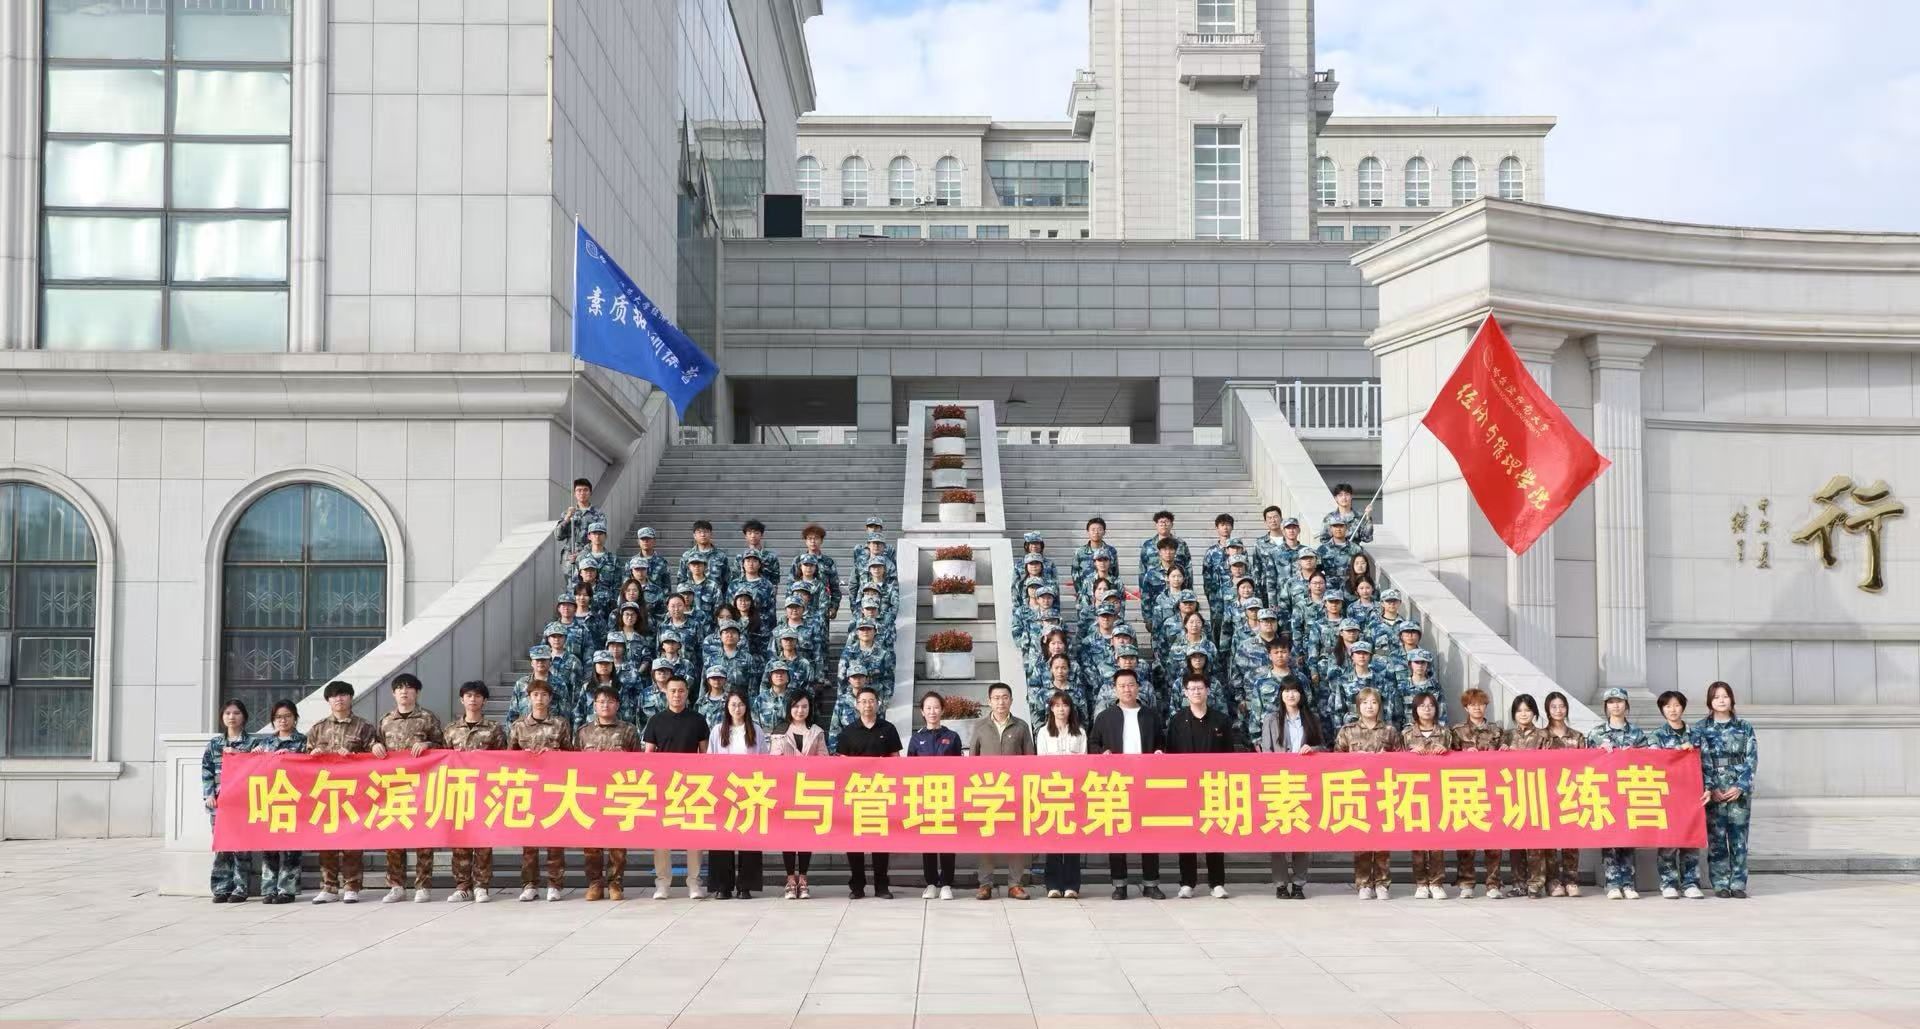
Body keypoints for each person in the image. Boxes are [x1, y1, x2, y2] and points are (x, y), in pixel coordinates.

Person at [1089, 668, 1166, 900]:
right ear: (1115, 689)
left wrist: (1160, 751)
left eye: (1131, 685)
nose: (1127, 689)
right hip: (1116, 782)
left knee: (1149, 833)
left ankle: (1151, 883)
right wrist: (1102, 753)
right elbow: (1093, 743)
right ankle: (1119, 884)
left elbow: (1162, 741)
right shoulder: (1105, 717)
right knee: (1117, 833)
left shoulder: (1151, 716)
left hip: (1146, 782)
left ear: (1138, 687)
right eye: (1122, 686)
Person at [307, 680, 384, 903]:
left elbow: (374, 756)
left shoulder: (364, 727)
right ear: (328, 700)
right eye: (334, 696)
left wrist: (356, 757)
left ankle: (352, 886)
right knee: (326, 842)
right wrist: (314, 754)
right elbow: (305, 759)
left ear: (351, 698)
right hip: (326, 793)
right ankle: (329, 887)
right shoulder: (318, 728)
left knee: (352, 842)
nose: (338, 699)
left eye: (343, 695)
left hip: (354, 793)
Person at [376, 672, 444, 903]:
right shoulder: (386, 720)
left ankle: (423, 885)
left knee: (423, 837)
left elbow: (443, 746)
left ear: (417, 692)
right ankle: (396, 885)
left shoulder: (427, 718)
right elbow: (376, 745)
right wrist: (374, 746)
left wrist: (427, 744)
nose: (404, 692)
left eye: (409, 688)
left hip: (422, 785)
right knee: (394, 837)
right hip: (394, 786)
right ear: (393, 693)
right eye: (399, 688)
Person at [642, 675, 711, 899]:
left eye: (681, 691)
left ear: (687, 693)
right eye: (673, 691)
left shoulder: (698, 720)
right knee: (661, 837)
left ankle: (694, 882)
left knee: (694, 836)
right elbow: (648, 755)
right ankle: (662, 883)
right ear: (666, 692)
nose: (677, 695)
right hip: (663, 786)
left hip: (692, 786)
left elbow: (705, 754)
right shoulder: (655, 721)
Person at [1165, 673, 1234, 898]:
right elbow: (1170, 754)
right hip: (1186, 786)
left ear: (1208, 691)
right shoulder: (1177, 721)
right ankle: (1187, 882)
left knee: (1214, 832)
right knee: (1186, 834)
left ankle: (1217, 883)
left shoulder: (1221, 720)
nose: (1196, 692)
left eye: (1200, 688)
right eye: (1192, 689)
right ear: (1185, 693)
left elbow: (1230, 754)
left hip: (1214, 784)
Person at [507, 678, 572, 901]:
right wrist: (523, 757)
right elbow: (509, 756)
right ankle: (530, 884)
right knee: (529, 841)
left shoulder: (560, 724)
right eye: (535, 695)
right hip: (527, 788)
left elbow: (572, 755)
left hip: (555, 787)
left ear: (550, 698)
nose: (539, 699)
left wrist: (556, 755)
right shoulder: (518, 726)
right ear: (528, 698)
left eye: (544, 695)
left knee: (555, 839)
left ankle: (555, 884)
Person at [1258, 675, 1323, 898]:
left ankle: (1298, 883)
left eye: (1294, 690)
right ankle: (1280, 884)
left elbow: (1323, 747)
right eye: (1286, 691)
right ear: (1281, 695)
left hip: (1306, 783)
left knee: (1302, 836)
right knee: (1278, 836)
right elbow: (1266, 752)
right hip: (1279, 783)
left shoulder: (1311, 719)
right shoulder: (1271, 720)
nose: (1290, 694)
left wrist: (1313, 749)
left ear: (1301, 694)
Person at [835, 684, 902, 899]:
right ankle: (857, 886)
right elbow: (841, 763)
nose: (867, 705)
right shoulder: (848, 732)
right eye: (863, 701)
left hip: (881, 793)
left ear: (878, 704)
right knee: (854, 842)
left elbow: (895, 759)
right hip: (855, 794)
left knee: (880, 842)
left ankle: (882, 886)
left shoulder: (888, 729)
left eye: (871, 701)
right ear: (856, 705)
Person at [1335, 686, 1402, 900]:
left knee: (1382, 839)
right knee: (1361, 839)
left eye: (1373, 702)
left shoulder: (1389, 731)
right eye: (1365, 703)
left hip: (1383, 790)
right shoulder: (1348, 731)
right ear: (1358, 707)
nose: (1369, 706)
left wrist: (1388, 759)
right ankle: (1363, 882)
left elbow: (1403, 760)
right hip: (1358, 790)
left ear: (1379, 706)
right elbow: (1335, 760)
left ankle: (1382, 883)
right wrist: (1353, 759)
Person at [444, 681, 507, 902]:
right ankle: (462, 885)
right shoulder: (451, 730)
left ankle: (481, 885)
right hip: (459, 791)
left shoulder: (494, 729)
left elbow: (503, 759)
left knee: (483, 840)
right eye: (469, 696)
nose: (473, 700)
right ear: (462, 700)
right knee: (460, 840)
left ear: (485, 701)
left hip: (485, 792)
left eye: (478, 696)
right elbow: (442, 759)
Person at [971, 682, 1035, 898]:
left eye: (1005, 697)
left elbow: (1030, 760)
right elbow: (973, 760)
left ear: (1011, 700)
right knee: (986, 839)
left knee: (1015, 838)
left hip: (1014, 792)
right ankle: (985, 884)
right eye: (996, 698)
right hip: (987, 792)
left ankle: (1015, 884)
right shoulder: (980, 727)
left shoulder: (1021, 726)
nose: (1001, 702)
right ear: (989, 701)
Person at [1696, 681, 1758, 899]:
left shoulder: (1744, 727)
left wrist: (1741, 786)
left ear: (1731, 699)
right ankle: (1720, 883)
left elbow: (1752, 758)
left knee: (1739, 838)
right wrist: (1710, 787)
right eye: (1716, 697)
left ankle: (1738, 883)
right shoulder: (1701, 728)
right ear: (1709, 702)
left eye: (1725, 696)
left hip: (1738, 790)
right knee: (1717, 839)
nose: (1721, 701)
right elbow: (1698, 761)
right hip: (1713, 790)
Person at [1588, 686, 1649, 899]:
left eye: (1619, 701)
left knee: (1629, 837)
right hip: (1606, 792)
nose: (1615, 706)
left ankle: (1629, 883)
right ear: (1606, 706)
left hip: (1630, 791)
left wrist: (1634, 755)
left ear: (1626, 705)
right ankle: (1612, 882)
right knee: (1610, 838)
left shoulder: (1637, 734)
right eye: (1611, 702)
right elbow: (1586, 763)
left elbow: (1649, 761)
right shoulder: (1596, 734)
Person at [705, 690, 767, 899]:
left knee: (749, 837)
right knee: (722, 838)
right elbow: (710, 759)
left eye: (740, 704)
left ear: (746, 707)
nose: (737, 708)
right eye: (733, 704)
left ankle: (745, 885)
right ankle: (723, 886)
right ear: (727, 707)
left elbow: (764, 759)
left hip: (749, 789)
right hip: (724, 790)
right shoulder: (717, 730)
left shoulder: (755, 730)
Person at [1649, 689, 1708, 900]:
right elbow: (1653, 762)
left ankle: (1690, 882)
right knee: (1668, 841)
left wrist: (1708, 787)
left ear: (1682, 707)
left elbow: (1707, 764)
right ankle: (1668, 882)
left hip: (1692, 795)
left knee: (1690, 840)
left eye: (1676, 705)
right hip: (1667, 796)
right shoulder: (1656, 736)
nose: (1672, 710)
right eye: (1667, 706)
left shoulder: (1696, 734)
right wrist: (1678, 752)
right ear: (1662, 710)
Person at [768, 691, 827, 899]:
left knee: (805, 836)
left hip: (808, 790)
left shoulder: (817, 731)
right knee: (788, 836)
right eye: (796, 706)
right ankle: (790, 880)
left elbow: (824, 759)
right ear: (789, 708)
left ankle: (803, 879)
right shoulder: (780, 731)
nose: (800, 710)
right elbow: (773, 761)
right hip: (786, 790)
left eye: (804, 706)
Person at [1449, 687, 1506, 899]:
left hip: (1492, 789)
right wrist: (1463, 755)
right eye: (1472, 705)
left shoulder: (1496, 731)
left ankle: (1493, 883)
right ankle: (1466, 882)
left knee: (1494, 841)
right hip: (1466, 789)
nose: (1477, 708)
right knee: (1467, 840)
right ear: (1466, 707)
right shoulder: (1457, 731)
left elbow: (1506, 755)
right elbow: (1448, 757)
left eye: (1480, 704)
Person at [907, 692, 965, 900]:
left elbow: (960, 767)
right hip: (925, 796)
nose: (932, 712)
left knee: (948, 841)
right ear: (922, 712)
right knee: (928, 841)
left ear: (942, 710)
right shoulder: (916, 738)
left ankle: (947, 883)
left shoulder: (953, 737)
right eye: (928, 708)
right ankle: (930, 883)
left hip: (947, 795)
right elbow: (909, 770)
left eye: (936, 707)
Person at [253, 700, 307, 904]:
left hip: (293, 801)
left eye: (287, 716)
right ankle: (269, 889)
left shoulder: (304, 742)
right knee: (269, 846)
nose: (282, 720)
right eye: (278, 717)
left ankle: (287, 890)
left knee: (292, 848)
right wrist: (254, 756)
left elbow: (312, 767)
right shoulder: (266, 744)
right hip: (271, 800)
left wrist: (293, 757)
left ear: (295, 718)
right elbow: (254, 771)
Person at [202, 698, 254, 904]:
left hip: (244, 803)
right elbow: (206, 770)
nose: (232, 717)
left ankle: (241, 888)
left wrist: (240, 754)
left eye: (236, 713)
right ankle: (221, 888)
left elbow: (258, 766)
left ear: (244, 717)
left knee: (242, 847)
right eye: (227, 713)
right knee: (222, 846)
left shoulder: (253, 744)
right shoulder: (215, 744)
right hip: (220, 803)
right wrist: (209, 795)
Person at [1036, 690, 1087, 899]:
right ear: (1051, 708)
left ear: (1070, 709)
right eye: (1056, 705)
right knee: (1053, 839)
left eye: (1064, 705)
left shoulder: (1080, 732)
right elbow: (1040, 762)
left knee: (1073, 839)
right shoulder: (1043, 732)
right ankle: (1053, 884)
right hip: (1052, 791)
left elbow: (1084, 761)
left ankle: (1072, 885)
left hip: (1074, 791)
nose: (1061, 709)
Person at [1401, 690, 1451, 900]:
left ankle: (1437, 882)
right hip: (1415, 792)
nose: (1427, 709)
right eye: (1422, 706)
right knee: (1418, 841)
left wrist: (1446, 752)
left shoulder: (1446, 733)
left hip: (1439, 791)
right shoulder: (1407, 734)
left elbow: (1459, 760)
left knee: (1437, 840)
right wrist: (1409, 755)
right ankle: (1421, 882)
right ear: (1415, 710)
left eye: (1431, 705)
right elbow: (1396, 762)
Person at [1503, 694, 1551, 899]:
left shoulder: (1543, 735)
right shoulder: (1506, 736)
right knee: (1515, 842)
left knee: (1535, 842)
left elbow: (1550, 762)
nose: (1523, 714)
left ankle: (1536, 883)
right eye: (1519, 710)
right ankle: (1518, 883)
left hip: (1535, 791)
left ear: (1534, 713)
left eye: (1528, 710)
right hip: (1512, 792)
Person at [1542, 691, 1586, 896]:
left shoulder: (1577, 737)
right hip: (1547, 793)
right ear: (1547, 710)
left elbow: (1587, 763)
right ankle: (1552, 881)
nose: (1558, 710)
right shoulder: (1541, 736)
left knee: (1572, 838)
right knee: (1550, 841)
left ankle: (1571, 880)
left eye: (1562, 706)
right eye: (1554, 707)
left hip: (1571, 793)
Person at [555, 477, 603, 574]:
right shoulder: (567, 513)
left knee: (589, 582)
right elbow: (558, 536)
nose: (582, 493)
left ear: (590, 492)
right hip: (570, 557)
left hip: (589, 557)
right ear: (574, 493)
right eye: (579, 490)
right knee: (571, 583)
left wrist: (580, 554)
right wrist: (567, 518)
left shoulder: (598, 515)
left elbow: (599, 538)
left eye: (585, 490)